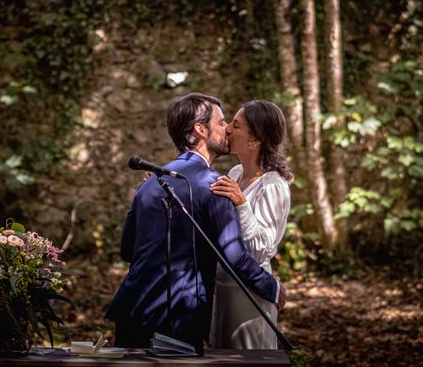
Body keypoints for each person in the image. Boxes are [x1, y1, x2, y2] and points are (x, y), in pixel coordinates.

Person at [104, 93, 285, 354]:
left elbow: (126, 250)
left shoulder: (151, 181)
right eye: (222, 122)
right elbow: (234, 257)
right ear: (200, 130)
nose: (227, 129)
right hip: (178, 315)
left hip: (131, 310)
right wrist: (274, 288)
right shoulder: (214, 184)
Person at [209, 100, 292, 349]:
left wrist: (241, 203)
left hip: (250, 292)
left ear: (255, 138)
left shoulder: (273, 186)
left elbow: (259, 249)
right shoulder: (235, 173)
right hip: (223, 288)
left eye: (237, 125)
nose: (228, 130)